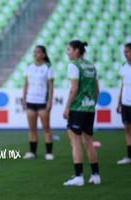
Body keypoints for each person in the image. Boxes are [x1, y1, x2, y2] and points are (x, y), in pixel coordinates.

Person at [63, 40, 100, 186]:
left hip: (78, 108)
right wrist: (92, 104)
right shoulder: (91, 65)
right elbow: (97, 90)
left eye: (69, 50)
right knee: (89, 142)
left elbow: (74, 88)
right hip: (89, 108)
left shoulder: (74, 65)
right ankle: (96, 175)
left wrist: (67, 107)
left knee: (75, 141)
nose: (67, 53)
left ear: (77, 51)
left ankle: (78, 177)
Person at [21, 45, 54, 160]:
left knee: (46, 127)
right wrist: (23, 98)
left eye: (38, 52)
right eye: (34, 52)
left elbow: (50, 85)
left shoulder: (48, 67)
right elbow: (26, 84)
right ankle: (32, 152)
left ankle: (49, 152)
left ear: (44, 54)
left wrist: (50, 100)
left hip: (42, 101)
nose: (35, 54)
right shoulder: (29, 66)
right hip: (30, 100)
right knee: (32, 128)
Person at [116, 43, 131, 165]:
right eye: (124, 51)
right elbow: (122, 85)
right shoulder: (123, 67)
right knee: (127, 129)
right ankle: (129, 156)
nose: (125, 54)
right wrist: (119, 102)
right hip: (125, 103)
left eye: (127, 51)